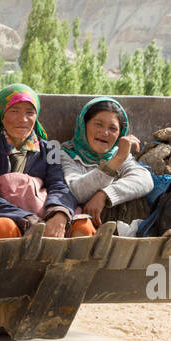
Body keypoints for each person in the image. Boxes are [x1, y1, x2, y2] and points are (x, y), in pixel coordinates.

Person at [0, 84, 77, 239]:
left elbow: (59, 184)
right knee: (2, 227)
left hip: (45, 216)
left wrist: (59, 213)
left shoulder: (51, 150)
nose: (23, 119)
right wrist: (26, 218)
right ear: (2, 115)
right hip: (7, 219)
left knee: (82, 226)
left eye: (30, 112)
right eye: (14, 111)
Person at [60, 97, 153, 236]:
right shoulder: (66, 154)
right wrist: (116, 161)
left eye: (112, 128)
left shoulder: (118, 154)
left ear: (120, 134)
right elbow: (77, 191)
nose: (105, 133)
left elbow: (145, 180)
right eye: (98, 124)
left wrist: (105, 195)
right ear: (83, 125)